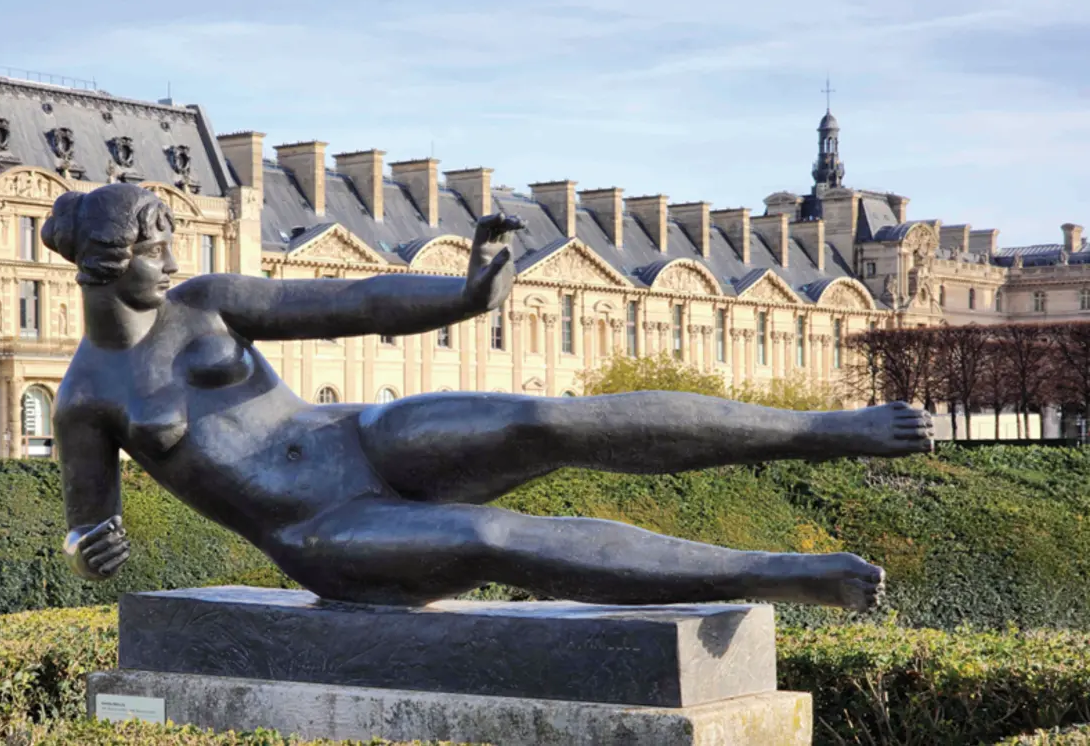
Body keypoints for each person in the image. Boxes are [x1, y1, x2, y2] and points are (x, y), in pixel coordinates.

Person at [46, 184, 932, 611]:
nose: (173, 254)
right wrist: (93, 547)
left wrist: (465, 296)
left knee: (547, 417)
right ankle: (783, 576)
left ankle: (829, 428)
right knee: (497, 538)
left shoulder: (205, 304)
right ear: (105, 258)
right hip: (321, 529)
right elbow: (89, 526)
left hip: (363, 438)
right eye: (156, 244)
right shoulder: (88, 400)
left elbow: (350, 303)